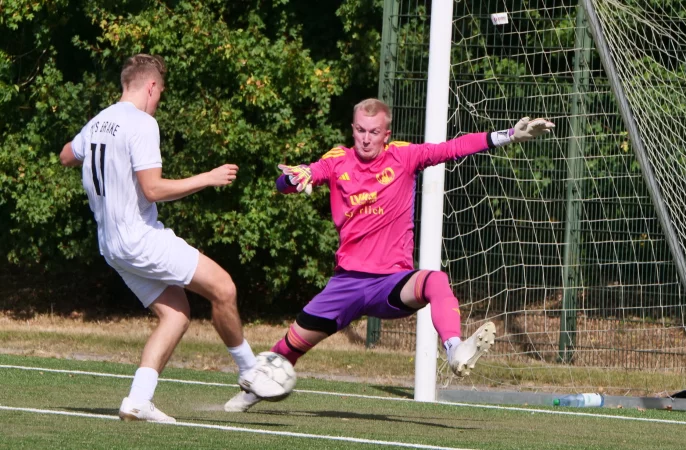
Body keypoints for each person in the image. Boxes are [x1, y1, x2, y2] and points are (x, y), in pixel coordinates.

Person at [224, 98, 555, 412]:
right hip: (346, 285)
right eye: (360, 130)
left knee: (435, 281)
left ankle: (455, 350)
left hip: (390, 284)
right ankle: (253, 391)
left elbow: (452, 148)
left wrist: (509, 135)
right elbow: (287, 182)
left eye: (373, 132)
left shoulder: (404, 156)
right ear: (352, 129)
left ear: (386, 134)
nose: (366, 139)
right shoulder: (337, 160)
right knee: (289, 347)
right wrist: (293, 178)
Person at [59, 54, 283, 423]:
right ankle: (250, 373)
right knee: (223, 288)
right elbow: (153, 189)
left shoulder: (99, 121)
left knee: (176, 314)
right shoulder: (142, 123)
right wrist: (208, 178)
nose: (159, 99)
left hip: (111, 246)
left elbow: (67, 155)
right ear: (151, 86)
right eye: (160, 91)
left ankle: (137, 400)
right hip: (140, 239)